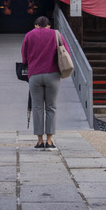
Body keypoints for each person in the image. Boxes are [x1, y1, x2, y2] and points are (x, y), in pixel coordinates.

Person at [21, 15, 64, 149]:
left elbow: (24, 57)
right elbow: (65, 51)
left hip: (34, 75)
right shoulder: (55, 34)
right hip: (52, 74)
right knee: (51, 107)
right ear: (48, 26)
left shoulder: (29, 35)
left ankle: (39, 141)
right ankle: (50, 141)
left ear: (36, 25)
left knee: (37, 107)